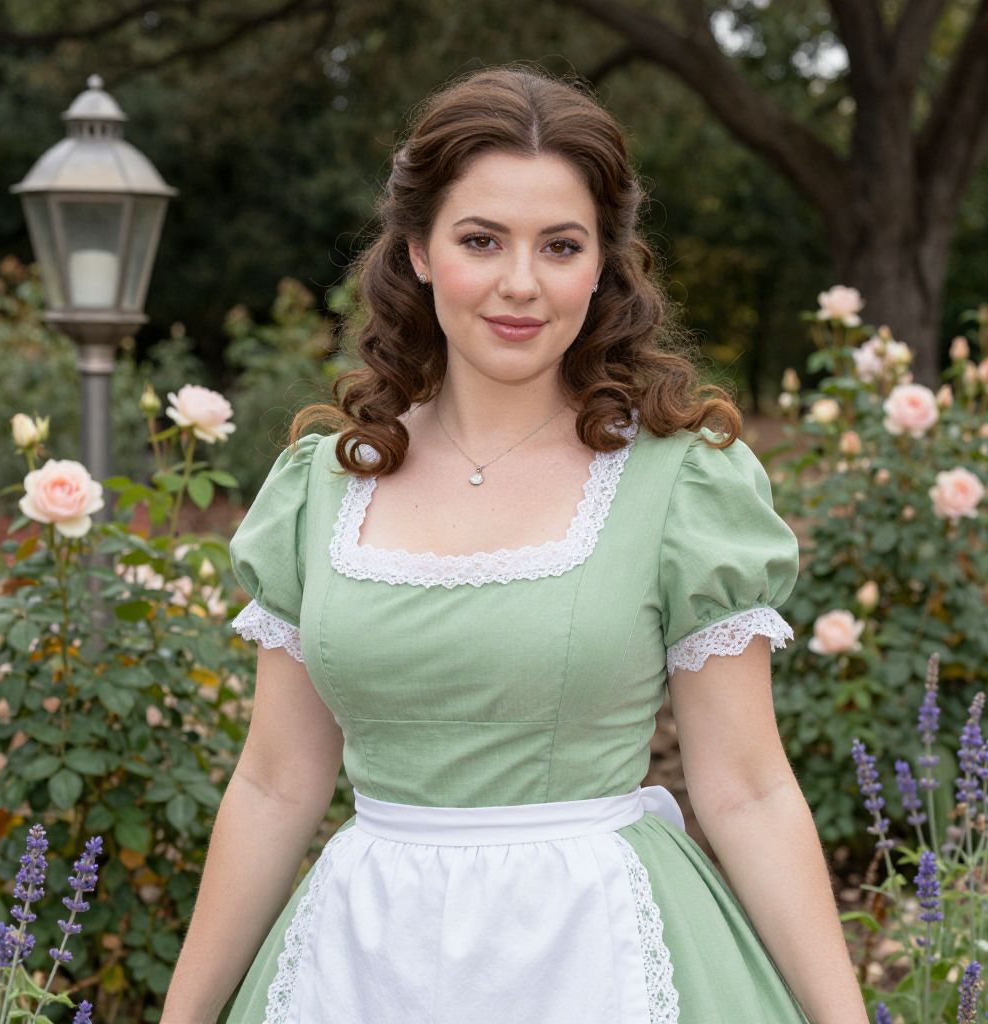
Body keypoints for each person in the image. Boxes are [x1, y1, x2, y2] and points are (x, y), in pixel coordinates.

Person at [162, 64, 869, 1024]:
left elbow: (746, 789)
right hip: (361, 962)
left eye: (561, 245)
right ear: (418, 249)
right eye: (481, 240)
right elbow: (275, 782)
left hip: (602, 955)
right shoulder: (320, 486)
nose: (521, 284)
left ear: (603, 265)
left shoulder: (681, 484)